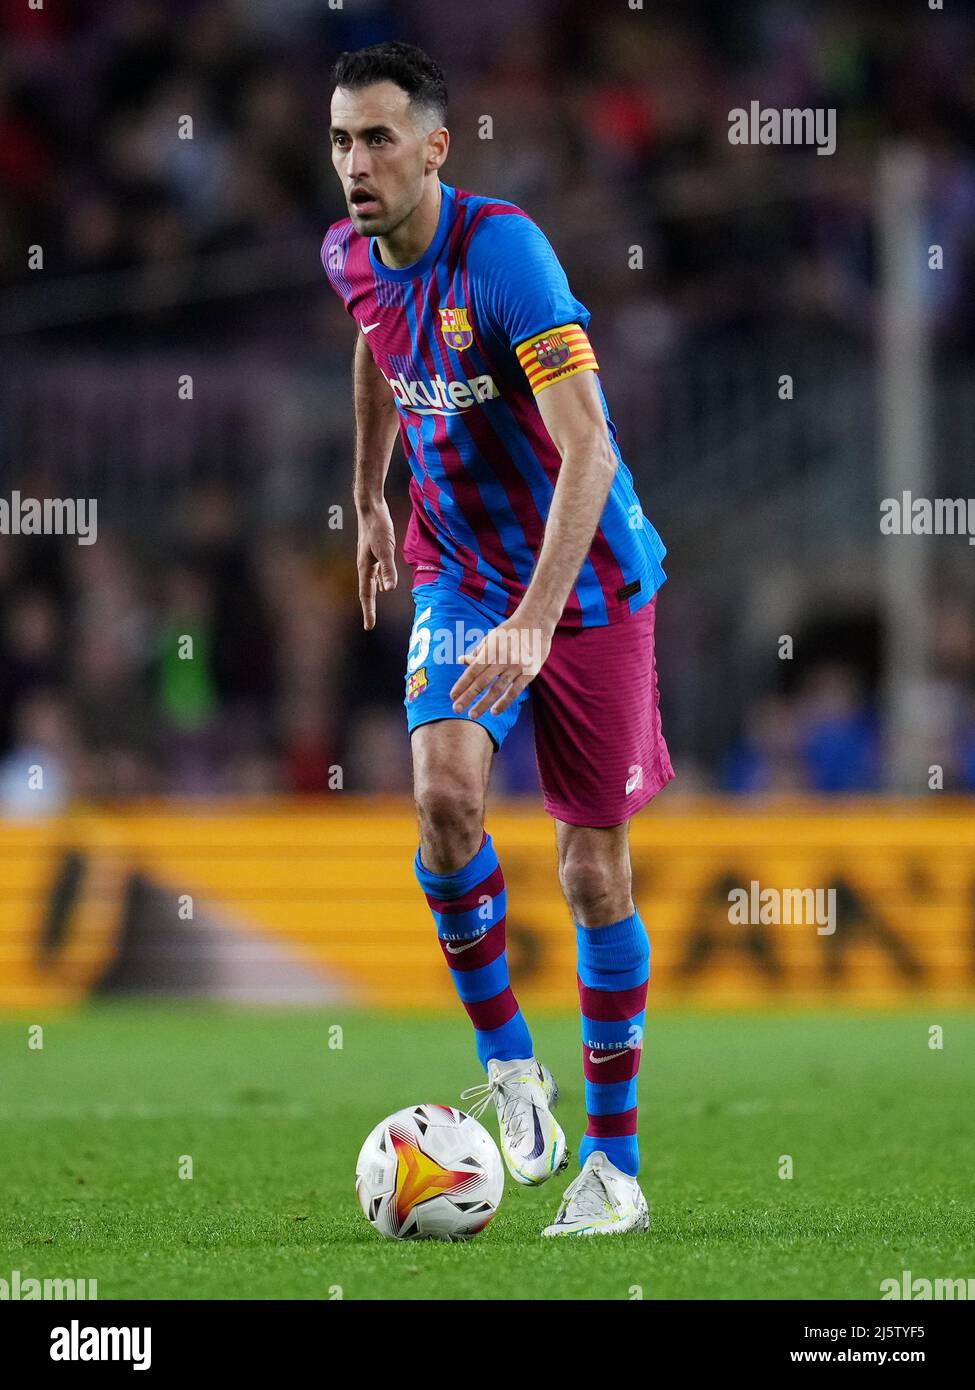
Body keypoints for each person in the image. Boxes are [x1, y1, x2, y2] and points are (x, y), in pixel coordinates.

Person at [322, 40, 673, 1236]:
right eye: (338, 140)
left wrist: (535, 622)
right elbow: (377, 338)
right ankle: (516, 1067)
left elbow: (591, 447)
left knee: (591, 870)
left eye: (376, 139)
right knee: (445, 798)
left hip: (591, 588)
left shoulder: (506, 253)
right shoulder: (349, 252)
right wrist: (369, 494)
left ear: (435, 147)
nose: (353, 164)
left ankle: (614, 1170)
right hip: (463, 574)